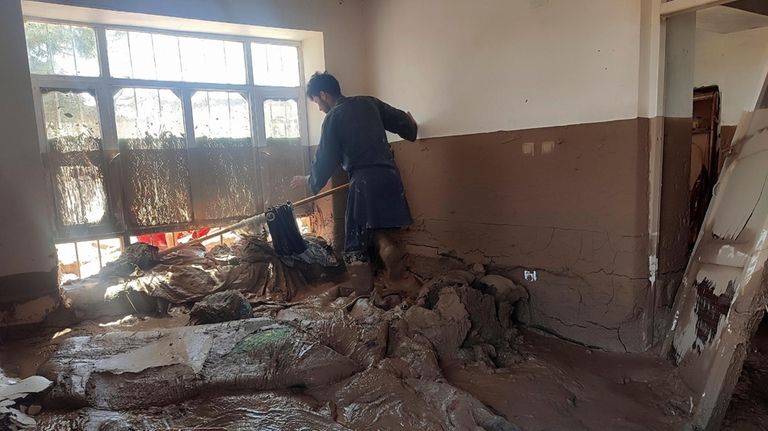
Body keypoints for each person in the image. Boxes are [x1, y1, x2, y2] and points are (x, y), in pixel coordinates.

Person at [291, 71, 417, 296]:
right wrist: (410, 125)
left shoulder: (333, 118)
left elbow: (325, 161)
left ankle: (362, 295)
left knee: (355, 242)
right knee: (380, 231)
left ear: (323, 94)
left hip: (363, 182)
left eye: (317, 102)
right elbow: (404, 123)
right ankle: (398, 278)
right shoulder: (370, 103)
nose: (319, 108)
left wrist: (309, 180)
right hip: (390, 176)